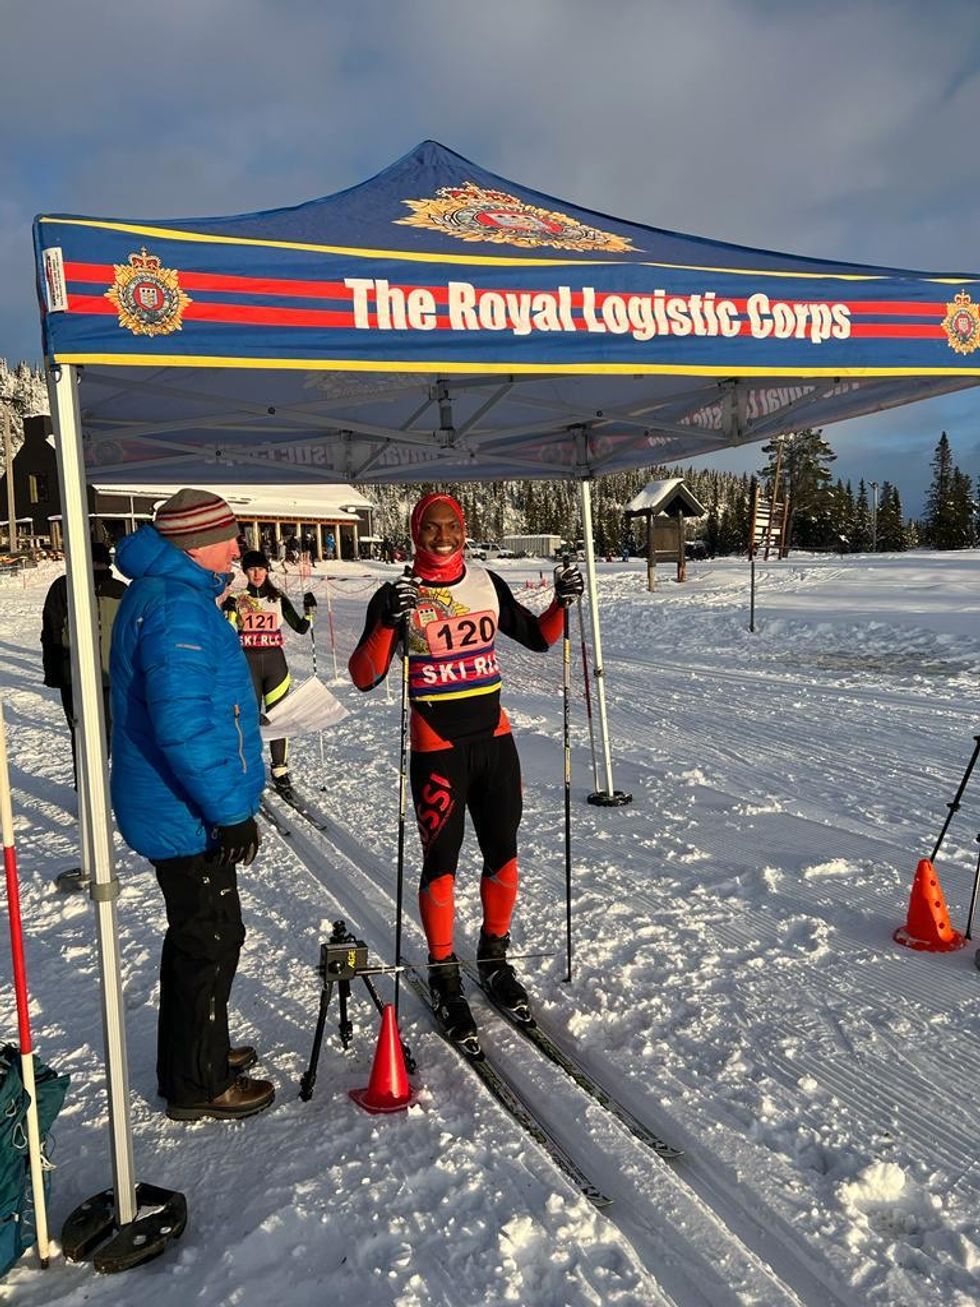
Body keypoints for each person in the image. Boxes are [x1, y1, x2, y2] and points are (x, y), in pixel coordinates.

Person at [348, 492, 583, 1045]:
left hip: (495, 742)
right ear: (414, 532)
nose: (443, 535)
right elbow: (364, 675)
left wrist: (562, 601)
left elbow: (540, 638)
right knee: (443, 863)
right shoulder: (397, 593)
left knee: (504, 852)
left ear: (465, 527)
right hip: (438, 747)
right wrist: (387, 620)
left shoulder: (486, 581)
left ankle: (494, 955)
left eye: (452, 525)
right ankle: (444, 970)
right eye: (431, 527)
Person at [110, 488, 273, 1122]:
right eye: (228, 536)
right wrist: (230, 808)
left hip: (177, 802)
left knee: (199, 935)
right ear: (195, 543)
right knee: (209, 937)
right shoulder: (177, 607)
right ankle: (197, 1084)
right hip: (184, 809)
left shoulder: (170, 595)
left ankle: (198, 1054)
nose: (238, 548)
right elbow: (183, 724)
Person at [222, 549, 317, 804]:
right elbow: (228, 634)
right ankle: (248, 767)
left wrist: (309, 610)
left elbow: (300, 627)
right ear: (245, 572)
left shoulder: (277, 597)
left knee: (278, 718)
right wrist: (228, 611)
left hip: (275, 664)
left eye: (261, 569)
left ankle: (280, 769)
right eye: (251, 569)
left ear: (267, 570)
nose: (257, 574)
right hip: (248, 663)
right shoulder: (238, 598)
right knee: (248, 718)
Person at [41, 540, 127, 788]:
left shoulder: (120, 590)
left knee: (108, 734)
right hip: (75, 677)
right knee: (81, 733)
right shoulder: (64, 588)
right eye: (93, 561)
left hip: (110, 677)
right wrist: (55, 672)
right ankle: (86, 790)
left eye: (100, 561)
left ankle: (99, 785)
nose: (97, 565)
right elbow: (52, 632)